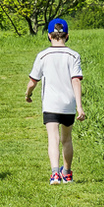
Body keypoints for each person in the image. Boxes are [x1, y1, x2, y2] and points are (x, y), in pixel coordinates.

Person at [25, 18, 85, 184]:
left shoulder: (43, 56)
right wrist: (79, 107)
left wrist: (28, 94)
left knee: (53, 139)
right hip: (68, 105)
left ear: (49, 36)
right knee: (67, 139)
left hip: (50, 104)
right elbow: (76, 81)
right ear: (67, 36)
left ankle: (54, 174)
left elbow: (33, 81)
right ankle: (66, 173)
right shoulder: (74, 55)